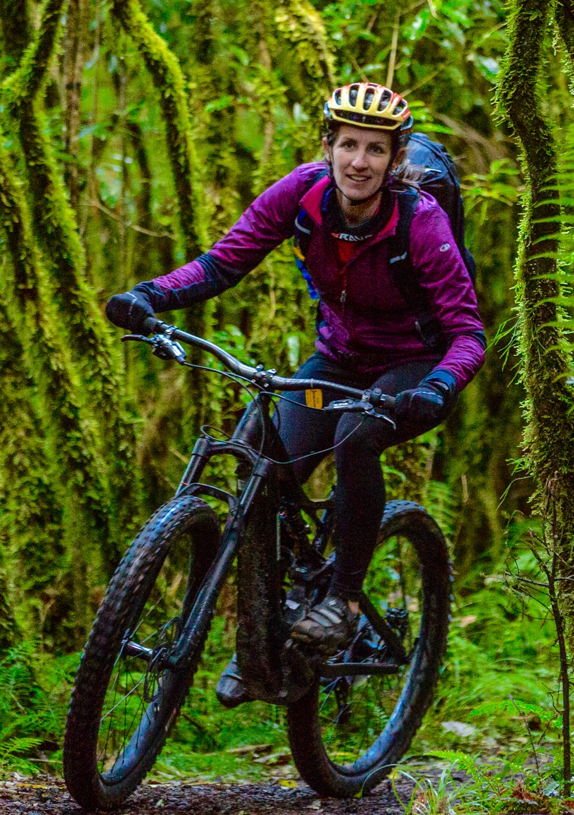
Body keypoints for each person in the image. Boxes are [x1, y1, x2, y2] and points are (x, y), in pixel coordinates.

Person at [103, 82, 485, 699]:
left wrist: (438, 387)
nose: (360, 162)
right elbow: (222, 262)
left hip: (415, 368)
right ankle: (262, 630)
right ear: (329, 146)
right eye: (349, 146)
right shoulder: (301, 194)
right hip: (336, 363)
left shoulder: (421, 221)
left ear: (395, 161)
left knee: (355, 437)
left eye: (377, 151)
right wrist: (151, 295)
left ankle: (342, 601)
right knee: (259, 447)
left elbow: (467, 331)